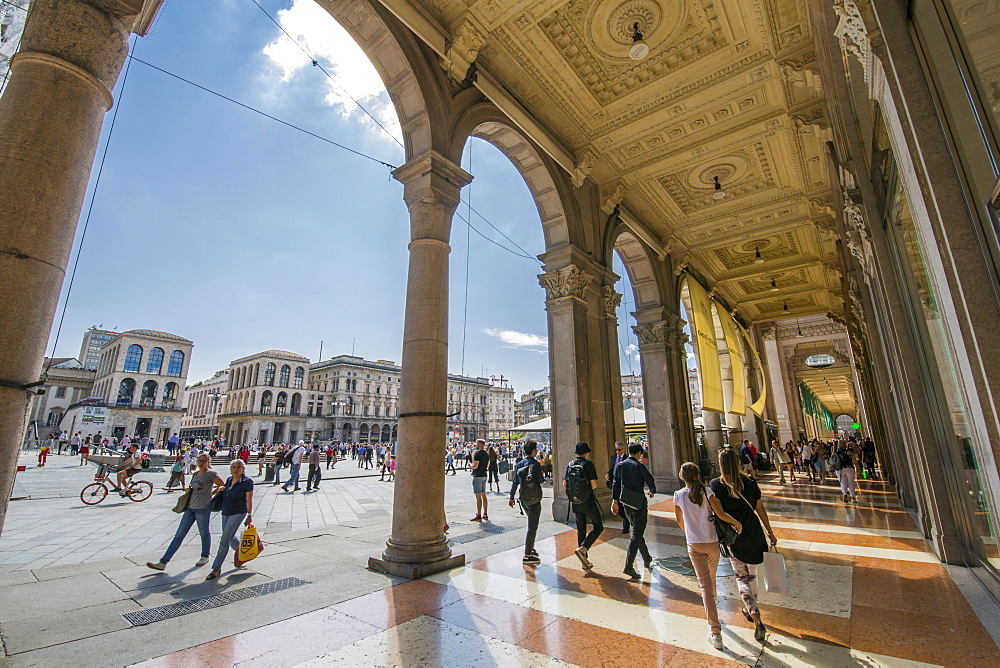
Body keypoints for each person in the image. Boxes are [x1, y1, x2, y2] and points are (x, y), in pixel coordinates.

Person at [710, 447, 777, 643]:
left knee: (741, 577)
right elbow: (760, 507)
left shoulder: (716, 485)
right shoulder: (749, 482)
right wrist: (769, 531)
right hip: (754, 532)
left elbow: (719, 513)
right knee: (753, 574)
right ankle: (751, 608)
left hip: (734, 536)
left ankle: (755, 615)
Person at [674, 462, 742, 651]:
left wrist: (689, 534)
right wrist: (736, 522)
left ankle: (715, 630)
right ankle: (713, 615)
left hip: (694, 544)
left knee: (705, 585)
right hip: (712, 543)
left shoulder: (678, 495)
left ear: (682, 477)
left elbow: (679, 520)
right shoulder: (707, 492)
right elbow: (720, 514)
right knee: (710, 581)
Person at [147, 454, 225, 571]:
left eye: (204, 461)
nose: (201, 462)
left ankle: (205, 556)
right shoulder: (195, 474)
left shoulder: (211, 474)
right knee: (179, 535)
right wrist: (189, 490)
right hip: (190, 507)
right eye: (199, 460)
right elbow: (194, 487)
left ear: (208, 462)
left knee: (203, 532)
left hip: (202, 508)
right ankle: (163, 562)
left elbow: (222, 485)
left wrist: (212, 494)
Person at [611, 443, 656, 579]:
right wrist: (652, 491)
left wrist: (615, 501)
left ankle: (647, 558)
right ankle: (629, 566)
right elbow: (650, 480)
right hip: (639, 504)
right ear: (638, 453)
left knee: (636, 530)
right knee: (637, 533)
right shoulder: (639, 466)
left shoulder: (619, 466)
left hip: (626, 503)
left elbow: (615, 483)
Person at [205, 459, 255, 580]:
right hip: (226, 511)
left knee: (225, 539)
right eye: (233, 467)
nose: (236, 469)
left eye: (238, 467)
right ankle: (242, 553)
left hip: (238, 512)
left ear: (243, 469)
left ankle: (216, 568)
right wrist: (219, 490)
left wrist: (249, 515)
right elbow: (223, 493)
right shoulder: (229, 480)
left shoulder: (247, 482)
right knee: (230, 536)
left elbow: (249, 499)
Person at [564, 442, 603, 570]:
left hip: (575, 501)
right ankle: (583, 548)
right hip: (588, 500)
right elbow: (594, 485)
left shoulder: (570, 465)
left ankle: (584, 561)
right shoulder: (588, 464)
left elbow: (565, 484)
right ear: (586, 452)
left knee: (581, 529)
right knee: (598, 526)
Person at [509, 440, 544, 565]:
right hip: (535, 498)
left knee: (531, 523)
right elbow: (541, 480)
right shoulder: (536, 464)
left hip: (523, 499)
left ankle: (531, 547)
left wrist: (511, 496)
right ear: (534, 451)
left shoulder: (520, 463)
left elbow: (515, 481)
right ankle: (527, 555)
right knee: (532, 527)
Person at [605, 441, 630, 533]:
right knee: (617, 504)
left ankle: (626, 526)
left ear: (624, 449)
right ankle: (626, 518)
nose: (618, 452)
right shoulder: (614, 458)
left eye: (619, 450)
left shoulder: (627, 459)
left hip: (623, 485)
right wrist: (608, 474)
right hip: (615, 484)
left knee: (623, 504)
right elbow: (612, 468)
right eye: (616, 449)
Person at [470, 439, 490, 521]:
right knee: (483, 495)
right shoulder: (486, 454)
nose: (475, 445)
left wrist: (470, 465)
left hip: (477, 475)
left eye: (476, 443)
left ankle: (478, 514)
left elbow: (475, 466)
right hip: (484, 475)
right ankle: (485, 513)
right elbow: (488, 464)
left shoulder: (478, 454)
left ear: (480, 444)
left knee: (478, 496)